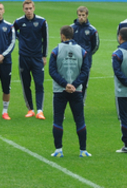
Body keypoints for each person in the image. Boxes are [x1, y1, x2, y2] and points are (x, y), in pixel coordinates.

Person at [49, 25, 91, 158]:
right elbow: (85, 71)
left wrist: (65, 84)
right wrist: (74, 85)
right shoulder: (82, 51)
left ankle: (58, 150)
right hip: (76, 91)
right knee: (79, 119)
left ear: (62, 35)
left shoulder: (56, 50)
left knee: (58, 119)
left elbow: (52, 71)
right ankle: (83, 150)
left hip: (59, 91)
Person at [14, 0, 49, 120]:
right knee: (26, 84)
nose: (28, 11)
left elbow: (45, 39)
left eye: (30, 8)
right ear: (23, 9)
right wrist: (20, 38)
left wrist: (44, 55)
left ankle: (40, 110)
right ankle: (30, 109)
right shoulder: (19, 21)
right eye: (26, 9)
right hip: (24, 57)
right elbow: (11, 32)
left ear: (34, 8)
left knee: (39, 83)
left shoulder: (42, 21)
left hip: (37, 57)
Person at [70, 6, 99, 103]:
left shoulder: (92, 30)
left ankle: (81, 102)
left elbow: (95, 45)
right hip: (73, 60)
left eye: (83, 15)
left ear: (87, 15)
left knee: (84, 83)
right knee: (72, 81)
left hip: (86, 61)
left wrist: (87, 54)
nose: (81, 17)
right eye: (79, 15)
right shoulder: (72, 28)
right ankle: (72, 101)